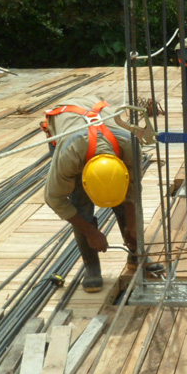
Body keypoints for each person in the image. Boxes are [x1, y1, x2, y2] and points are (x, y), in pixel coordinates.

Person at [41, 98, 141, 292]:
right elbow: (54, 199)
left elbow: (133, 189)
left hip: (94, 115)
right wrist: (91, 232)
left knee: (126, 204)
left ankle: (137, 254)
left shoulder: (130, 146)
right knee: (80, 204)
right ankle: (91, 266)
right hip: (67, 130)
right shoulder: (68, 156)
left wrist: (132, 223)